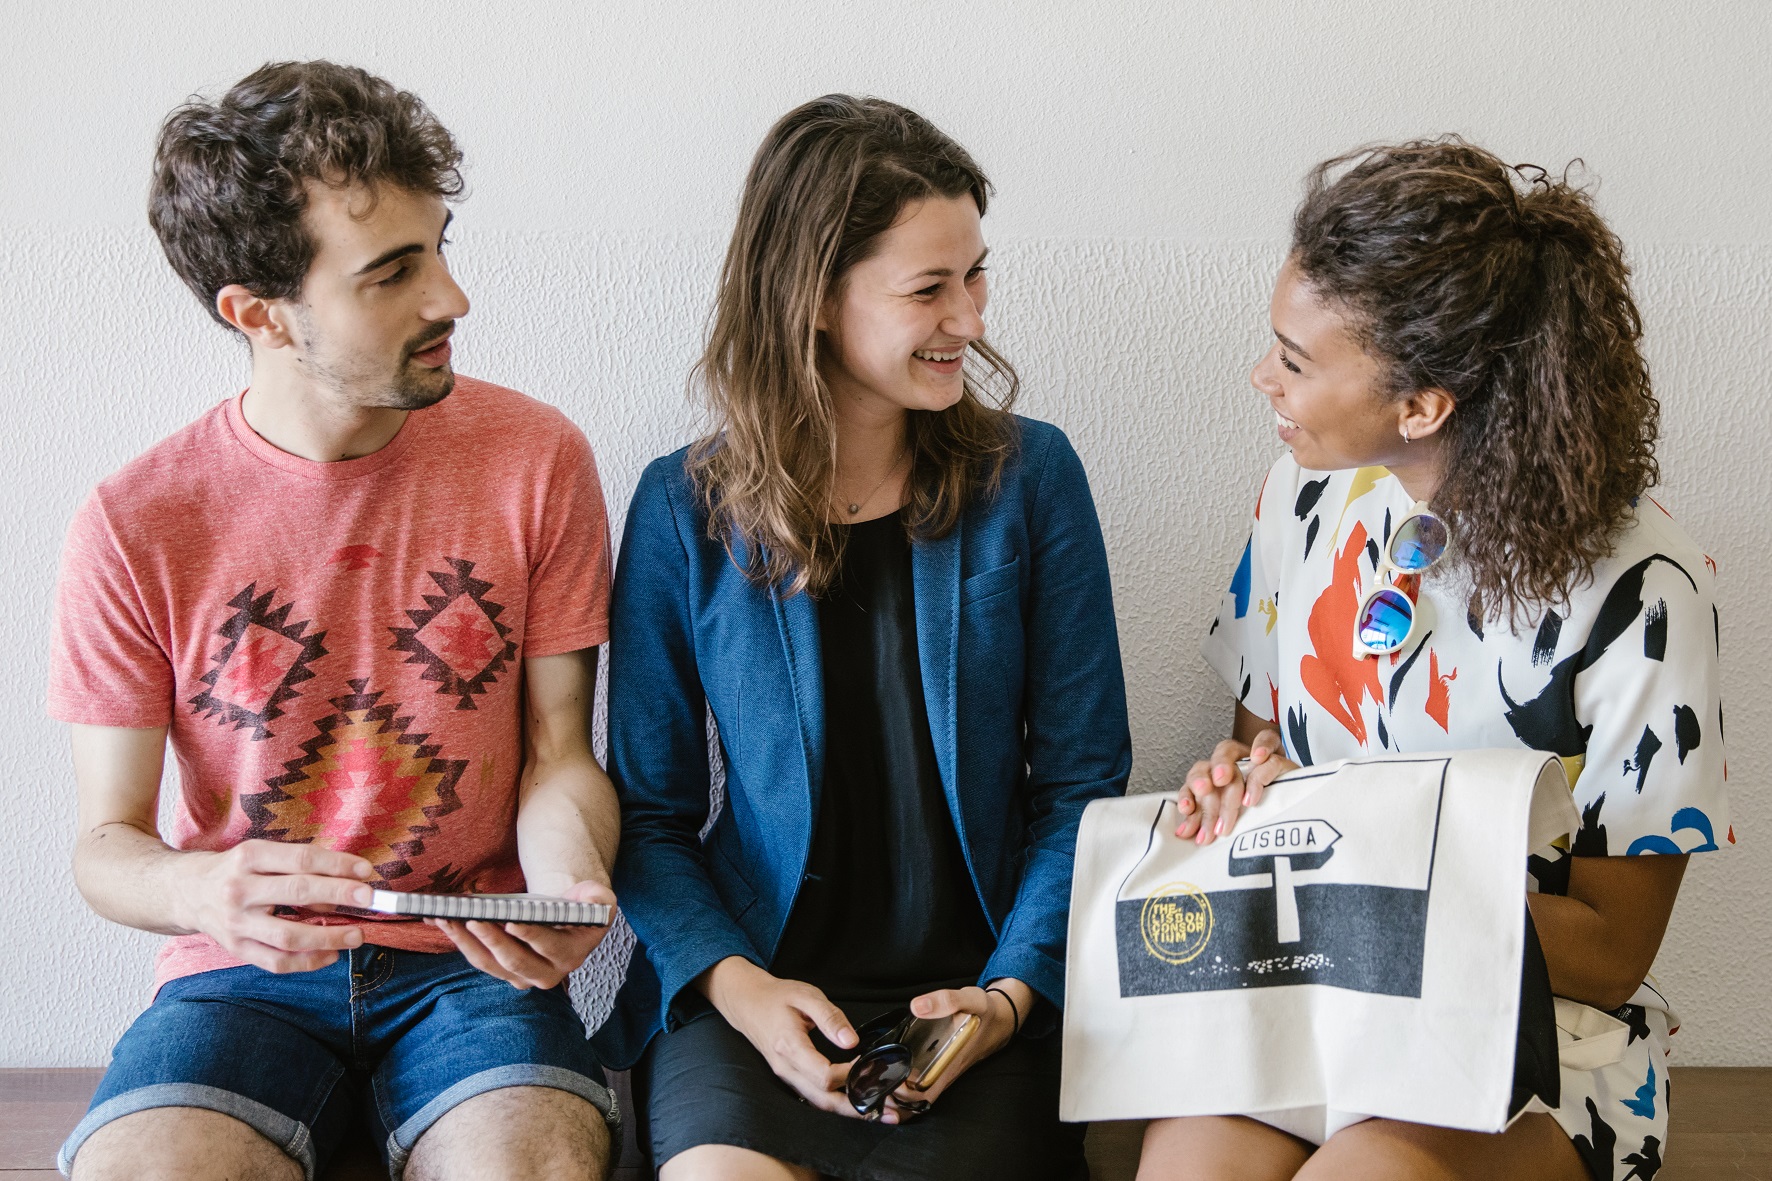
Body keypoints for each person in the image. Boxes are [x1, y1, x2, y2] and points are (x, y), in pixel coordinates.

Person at [49, 61, 621, 1181]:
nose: (451, 296)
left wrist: (571, 878)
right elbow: (105, 843)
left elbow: (562, 752)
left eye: (441, 246)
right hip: (237, 971)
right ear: (257, 312)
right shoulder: (135, 521)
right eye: (393, 272)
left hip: (473, 963)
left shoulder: (535, 459)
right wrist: (194, 887)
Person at [1138, 139, 1728, 1181]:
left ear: (1420, 406)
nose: (1259, 376)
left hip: (1525, 1028)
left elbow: (1610, 947)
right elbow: (1261, 744)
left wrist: (1378, 892)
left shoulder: (1643, 588)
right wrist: (1238, 792)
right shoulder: (1303, 494)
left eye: (1294, 358)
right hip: (1310, 1000)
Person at [593, 95, 1132, 1181]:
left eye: (975, 274)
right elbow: (646, 815)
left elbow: (1080, 785)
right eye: (928, 288)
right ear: (812, 298)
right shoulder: (678, 509)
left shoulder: (1031, 480)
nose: (971, 319)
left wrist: (1006, 995)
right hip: (755, 990)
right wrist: (738, 988)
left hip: (979, 996)